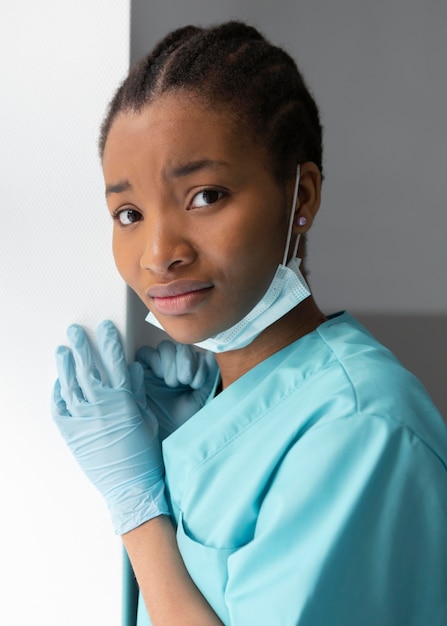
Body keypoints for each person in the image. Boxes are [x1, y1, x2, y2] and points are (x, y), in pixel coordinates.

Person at [52, 21, 447, 626]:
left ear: (303, 196)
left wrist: (138, 509)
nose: (159, 252)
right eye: (128, 212)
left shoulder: (363, 428)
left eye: (205, 196)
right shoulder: (219, 403)